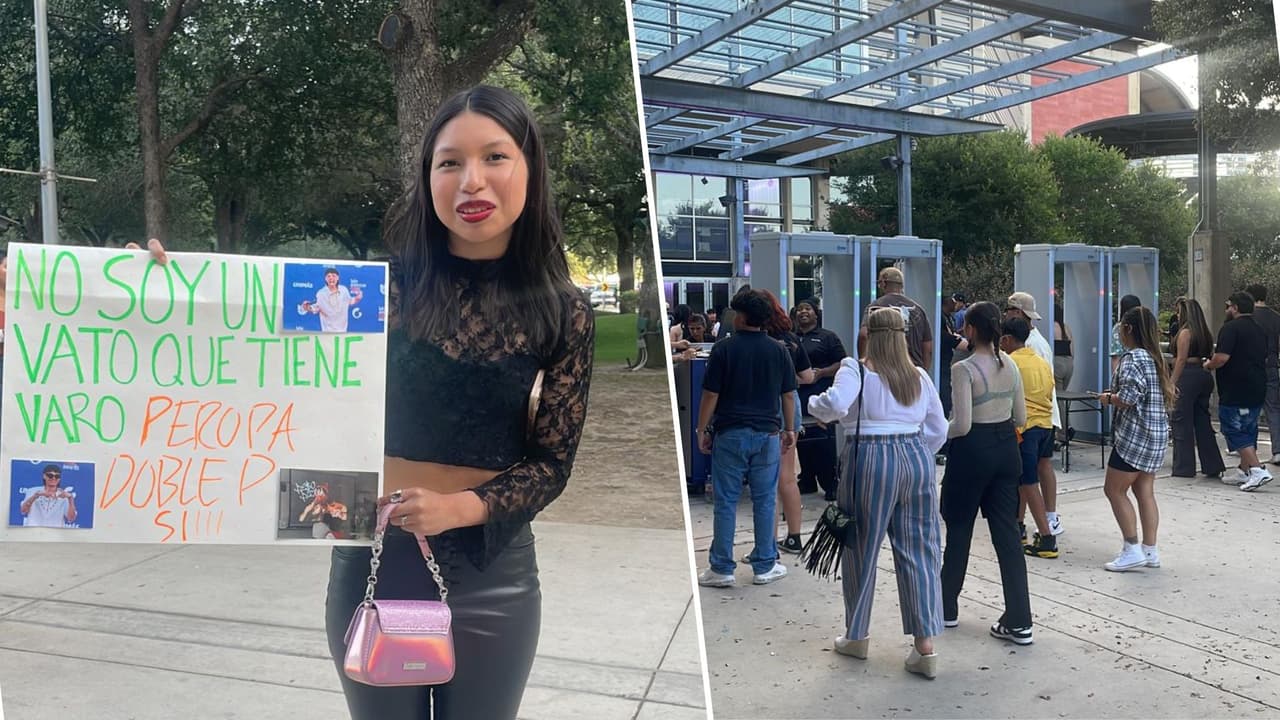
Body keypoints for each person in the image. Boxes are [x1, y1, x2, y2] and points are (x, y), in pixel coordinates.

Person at [133, 86, 594, 720]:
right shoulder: (370, 291)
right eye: (449, 162)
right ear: (428, 176)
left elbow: (552, 463)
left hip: (495, 572)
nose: (471, 180)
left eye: (495, 157)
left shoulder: (562, 309)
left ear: (529, 168)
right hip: (372, 556)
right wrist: (141, 294)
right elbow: (239, 337)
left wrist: (458, 509)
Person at [809, 307, 947, 679]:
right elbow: (939, 428)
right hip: (916, 455)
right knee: (920, 550)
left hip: (868, 457)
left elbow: (836, 404)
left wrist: (813, 405)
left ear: (869, 334)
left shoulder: (856, 368)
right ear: (903, 338)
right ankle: (925, 647)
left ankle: (857, 635)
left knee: (860, 548)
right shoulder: (918, 375)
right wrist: (915, 454)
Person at [939, 302, 1033, 645]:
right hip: (1007, 449)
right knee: (1007, 536)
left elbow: (961, 424)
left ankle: (946, 606)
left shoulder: (965, 369)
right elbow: (1021, 417)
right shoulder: (1011, 365)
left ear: (972, 330)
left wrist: (935, 432)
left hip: (973, 452)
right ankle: (1020, 619)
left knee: (959, 529)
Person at [696, 289, 796, 588]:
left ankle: (721, 567)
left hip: (730, 433)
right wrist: (789, 429)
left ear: (741, 317)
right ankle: (765, 564)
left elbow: (711, 394)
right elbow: (788, 395)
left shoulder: (724, 349)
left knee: (725, 502)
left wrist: (702, 430)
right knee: (765, 500)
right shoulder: (779, 350)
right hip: (767, 433)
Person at [1095, 307, 1174, 571]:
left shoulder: (1133, 359)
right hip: (1155, 435)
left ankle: (1131, 548)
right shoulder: (1154, 357)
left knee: (1114, 490)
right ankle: (1150, 549)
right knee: (1144, 491)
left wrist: (1108, 398)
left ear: (1128, 329)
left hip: (1134, 438)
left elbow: (1127, 399)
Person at [1005, 292, 1063, 537]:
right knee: (1034, 471)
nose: (1006, 313)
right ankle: (1027, 520)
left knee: (1031, 478)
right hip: (1044, 416)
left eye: (1009, 310)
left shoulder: (1030, 347)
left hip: (1030, 421)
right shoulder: (1036, 343)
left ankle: (1047, 523)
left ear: (1018, 313)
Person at [761, 289, 813, 554]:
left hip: (769, 405)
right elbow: (807, 377)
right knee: (788, 477)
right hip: (792, 402)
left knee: (768, 479)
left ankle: (767, 543)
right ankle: (794, 536)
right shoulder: (791, 339)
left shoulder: (761, 339)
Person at [1204, 291, 1271, 490]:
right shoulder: (1260, 329)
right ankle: (1244, 471)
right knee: (1249, 428)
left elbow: (1222, 358)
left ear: (1235, 308)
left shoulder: (1230, 329)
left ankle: (1258, 470)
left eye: (1228, 306)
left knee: (1233, 428)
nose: (1226, 310)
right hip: (1258, 386)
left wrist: (1208, 365)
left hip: (1236, 389)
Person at [794, 298, 848, 500]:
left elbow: (842, 362)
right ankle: (806, 480)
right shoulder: (791, 338)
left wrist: (823, 372)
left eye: (807, 308)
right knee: (803, 439)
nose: (803, 312)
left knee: (824, 441)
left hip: (821, 395)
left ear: (816, 314)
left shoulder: (827, 337)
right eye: (799, 309)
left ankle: (830, 483)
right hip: (799, 397)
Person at [1169, 298, 1226, 479]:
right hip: (1203, 376)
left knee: (1181, 422)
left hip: (1187, 376)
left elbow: (1181, 359)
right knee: (1202, 422)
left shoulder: (1185, 332)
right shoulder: (1204, 333)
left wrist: (1172, 382)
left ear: (1185, 313)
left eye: (1178, 312)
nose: (1176, 316)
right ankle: (1212, 464)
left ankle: (1183, 468)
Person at [858, 266, 932, 369]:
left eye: (879, 283)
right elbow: (927, 348)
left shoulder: (875, 307)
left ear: (883, 283)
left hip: (885, 370)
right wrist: (923, 373)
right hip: (913, 371)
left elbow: (863, 335)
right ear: (901, 286)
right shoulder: (918, 309)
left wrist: (863, 365)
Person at [1246, 284, 1280, 465]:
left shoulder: (1248, 318)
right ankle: (1278, 450)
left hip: (1252, 368)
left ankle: (1249, 450)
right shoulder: (1276, 318)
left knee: (1250, 409)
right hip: (1272, 367)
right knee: (1273, 409)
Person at [302, 267, 363, 332]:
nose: (331, 278)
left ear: (338, 278)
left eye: (334, 276)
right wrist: (306, 307)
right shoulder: (321, 294)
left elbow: (350, 301)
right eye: (328, 276)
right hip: (328, 333)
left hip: (343, 332)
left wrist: (358, 298)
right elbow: (315, 308)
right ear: (325, 279)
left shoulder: (344, 290)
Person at [1111, 294, 1141, 374]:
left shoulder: (1118, 328)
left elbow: (1116, 356)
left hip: (1125, 371)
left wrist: (1116, 379)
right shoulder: (1144, 326)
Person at [1052, 302, 1074, 391]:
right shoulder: (1066, 327)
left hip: (1057, 362)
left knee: (1058, 395)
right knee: (1064, 393)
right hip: (1069, 363)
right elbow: (1072, 349)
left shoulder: (1051, 326)